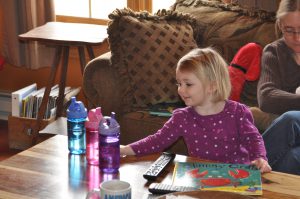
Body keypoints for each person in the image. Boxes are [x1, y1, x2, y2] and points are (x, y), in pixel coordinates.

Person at [121, 47, 271, 173]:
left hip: (237, 177)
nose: (181, 90)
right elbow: (157, 140)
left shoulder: (238, 112)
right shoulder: (182, 117)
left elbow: (253, 139)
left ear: (212, 86)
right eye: (179, 83)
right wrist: (125, 149)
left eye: (188, 84)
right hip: (200, 176)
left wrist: (260, 158)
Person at [256, 0, 300, 175]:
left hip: (292, 119)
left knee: (290, 118)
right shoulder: (274, 52)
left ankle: (240, 176)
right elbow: (266, 97)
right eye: (289, 30)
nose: (297, 38)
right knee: (292, 157)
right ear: (280, 25)